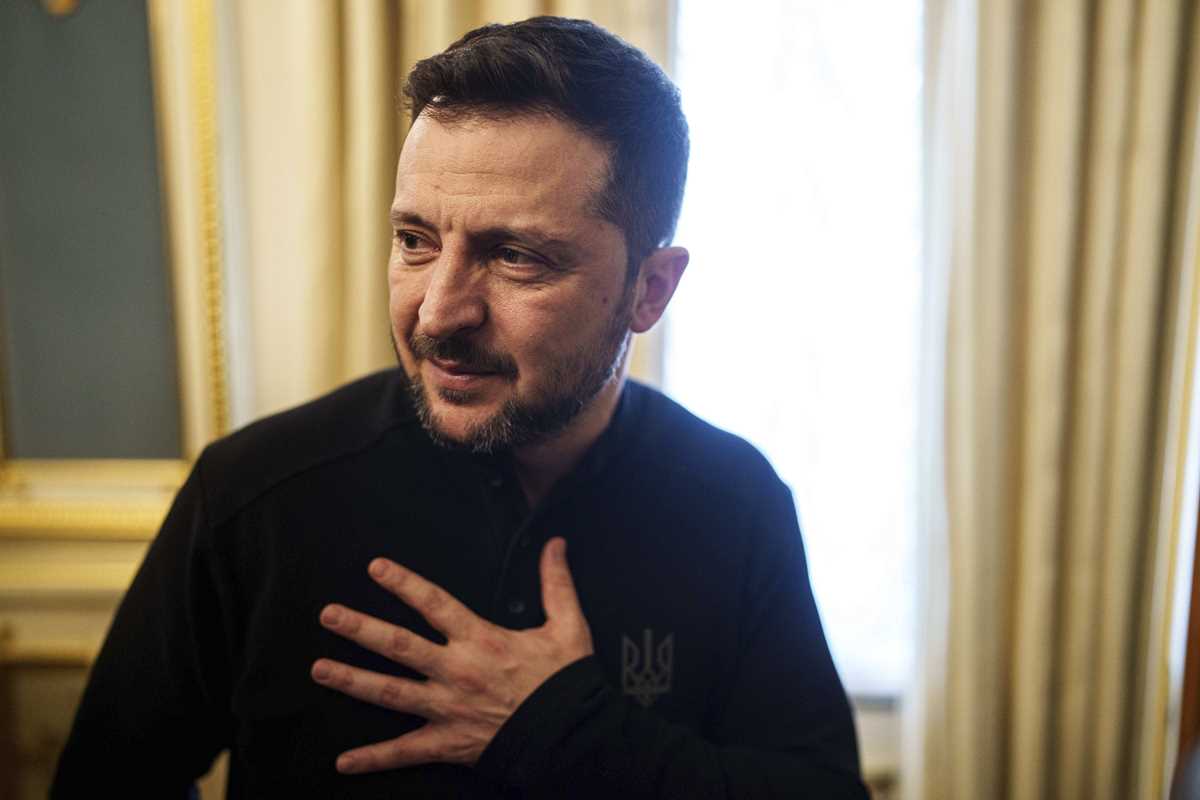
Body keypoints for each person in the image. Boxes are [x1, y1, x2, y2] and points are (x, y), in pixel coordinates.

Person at [52, 16, 867, 799]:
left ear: (649, 290)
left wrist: (568, 732)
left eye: (514, 256)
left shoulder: (735, 500)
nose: (438, 312)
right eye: (415, 241)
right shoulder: (253, 494)